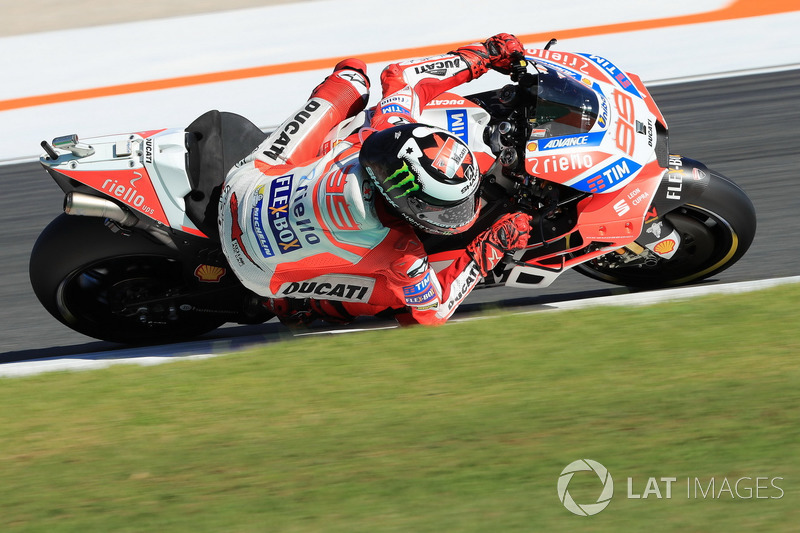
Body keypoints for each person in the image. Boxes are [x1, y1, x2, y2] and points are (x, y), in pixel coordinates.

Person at [218, 33, 533, 326]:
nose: (453, 214)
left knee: (352, 77)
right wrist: (490, 247)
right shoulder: (403, 254)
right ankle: (300, 304)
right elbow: (430, 313)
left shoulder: (385, 129)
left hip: (243, 187)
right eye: (442, 210)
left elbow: (398, 75)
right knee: (396, 296)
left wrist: (485, 55)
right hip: (258, 273)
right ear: (408, 204)